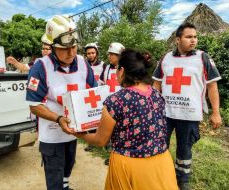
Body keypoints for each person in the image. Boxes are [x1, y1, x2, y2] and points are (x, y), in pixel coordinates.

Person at [69, 49, 178, 190]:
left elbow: (101, 140)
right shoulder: (157, 95)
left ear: (121, 71)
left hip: (129, 167)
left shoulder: (116, 101)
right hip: (161, 164)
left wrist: (79, 134)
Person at [26, 15, 97, 190]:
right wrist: (58, 119)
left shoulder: (83, 64)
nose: (72, 53)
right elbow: (34, 106)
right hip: (52, 135)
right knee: (54, 176)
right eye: (65, 49)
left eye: (74, 47)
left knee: (68, 167)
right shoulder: (40, 67)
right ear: (51, 47)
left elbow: (93, 93)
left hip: (73, 133)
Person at [152, 22, 222, 190]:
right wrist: (152, 108)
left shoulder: (203, 58)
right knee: (160, 146)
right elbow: (156, 84)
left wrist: (216, 112)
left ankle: (182, 180)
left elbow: (212, 86)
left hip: (189, 114)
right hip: (165, 113)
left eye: (195, 37)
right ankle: (160, 174)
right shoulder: (166, 58)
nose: (193, 40)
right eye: (189, 37)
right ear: (178, 39)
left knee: (185, 149)